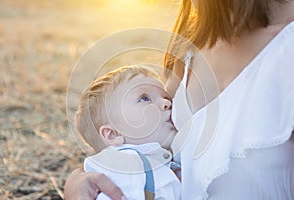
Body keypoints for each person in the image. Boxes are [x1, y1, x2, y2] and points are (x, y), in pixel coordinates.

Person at [65, 0, 294, 199]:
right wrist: (80, 182)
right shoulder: (192, 38)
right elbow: (130, 137)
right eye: (146, 98)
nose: (165, 103)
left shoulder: (286, 51)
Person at [73, 65, 181, 200]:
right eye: (144, 98)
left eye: (166, 97)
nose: (167, 103)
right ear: (113, 134)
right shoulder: (124, 164)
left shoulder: (162, 162)